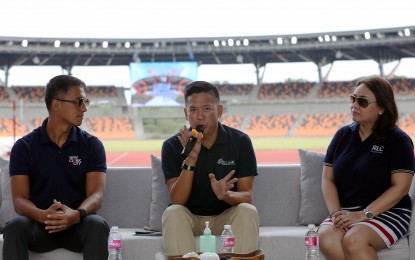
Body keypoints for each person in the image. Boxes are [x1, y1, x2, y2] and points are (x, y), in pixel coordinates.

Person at [3, 75, 110, 260]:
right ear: (56, 104)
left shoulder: (92, 145)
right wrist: (44, 216)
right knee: (14, 227)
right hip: (39, 225)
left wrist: (76, 215)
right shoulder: (24, 147)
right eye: (78, 102)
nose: (84, 108)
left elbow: (96, 195)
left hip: (78, 224)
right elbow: (19, 200)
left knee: (97, 224)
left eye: (85, 102)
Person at [318, 76, 415, 259]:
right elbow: (327, 179)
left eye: (362, 102)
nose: (354, 105)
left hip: (388, 211)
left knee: (354, 239)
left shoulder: (399, 140)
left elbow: (401, 188)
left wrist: (364, 214)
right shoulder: (342, 135)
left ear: (381, 108)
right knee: (326, 237)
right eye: (353, 99)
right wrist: (335, 213)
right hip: (346, 210)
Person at [161, 81, 259, 255]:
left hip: (225, 217)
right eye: (193, 110)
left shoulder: (240, 141)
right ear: (186, 113)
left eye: (206, 109)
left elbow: (247, 196)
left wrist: (226, 195)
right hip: (190, 218)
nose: (199, 117)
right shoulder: (172, 146)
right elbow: (177, 200)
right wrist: (190, 160)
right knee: (173, 213)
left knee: (247, 211)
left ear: (219, 111)